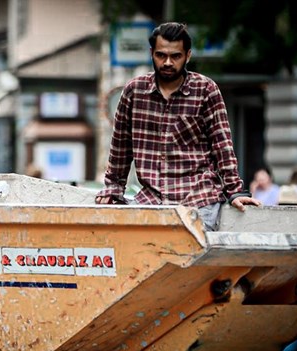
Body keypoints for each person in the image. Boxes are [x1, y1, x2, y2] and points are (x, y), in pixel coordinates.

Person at [95, 22, 258, 231]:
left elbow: (222, 146)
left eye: (176, 56)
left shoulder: (205, 90)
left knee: (188, 260)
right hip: (150, 200)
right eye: (161, 55)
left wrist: (234, 191)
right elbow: (120, 149)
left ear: (188, 56)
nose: (168, 62)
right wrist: (113, 189)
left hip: (199, 200)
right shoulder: (134, 92)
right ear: (151, 53)